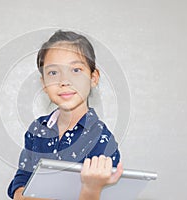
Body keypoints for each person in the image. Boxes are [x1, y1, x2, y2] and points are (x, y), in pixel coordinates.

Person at [7, 30, 123, 200]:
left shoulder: (103, 141)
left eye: (75, 70)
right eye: (53, 72)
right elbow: (22, 179)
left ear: (93, 78)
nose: (64, 81)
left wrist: (91, 189)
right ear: (44, 84)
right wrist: (22, 196)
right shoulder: (37, 130)